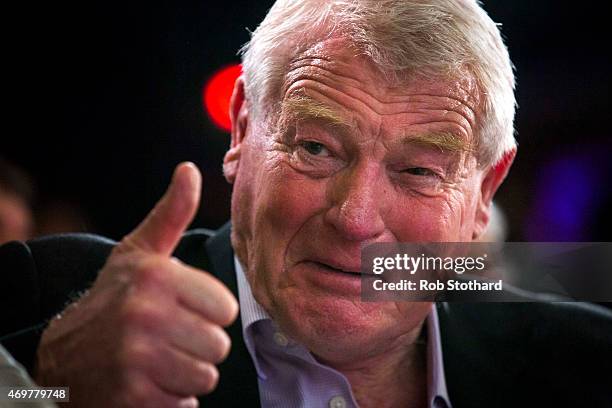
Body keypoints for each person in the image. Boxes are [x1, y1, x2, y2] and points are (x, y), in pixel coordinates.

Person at [0, 1, 610, 407]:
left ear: (483, 193)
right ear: (242, 130)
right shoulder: (47, 294)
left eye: (419, 170)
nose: (355, 218)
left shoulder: (586, 367)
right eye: (317, 148)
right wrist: (45, 391)